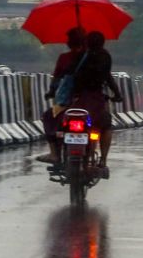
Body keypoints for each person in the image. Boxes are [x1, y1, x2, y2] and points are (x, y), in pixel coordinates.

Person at [70, 31, 123, 170]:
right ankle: (103, 160)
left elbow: (69, 75)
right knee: (106, 126)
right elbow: (108, 77)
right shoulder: (105, 57)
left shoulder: (79, 56)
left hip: (77, 100)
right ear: (103, 43)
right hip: (96, 101)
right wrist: (117, 94)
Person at [36, 27, 86, 164]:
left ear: (69, 43)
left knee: (48, 116)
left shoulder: (64, 58)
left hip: (67, 103)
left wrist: (51, 92)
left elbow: (56, 79)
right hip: (89, 101)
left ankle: (54, 153)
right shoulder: (92, 57)